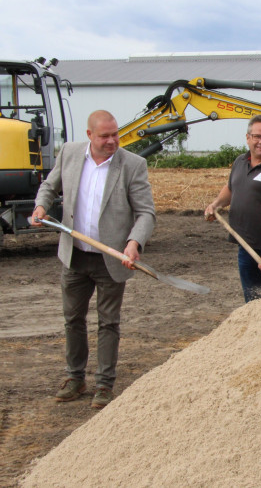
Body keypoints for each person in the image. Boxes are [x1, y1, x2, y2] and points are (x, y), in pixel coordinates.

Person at [31, 110, 156, 409]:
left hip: (111, 258)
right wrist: (40, 206)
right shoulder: (71, 154)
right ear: (89, 135)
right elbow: (50, 186)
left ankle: (104, 383)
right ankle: (75, 377)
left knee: (108, 323)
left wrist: (133, 242)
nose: (112, 140)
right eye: (105, 136)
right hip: (74, 255)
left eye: (115, 134)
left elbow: (146, 213)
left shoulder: (132, 164)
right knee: (73, 319)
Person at [204, 115, 261, 302]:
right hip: (245, 246)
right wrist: (215, 204)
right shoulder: (240, 162)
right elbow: (231, 188)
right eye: (257, 136)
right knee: (252, 303)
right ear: (248, 138)